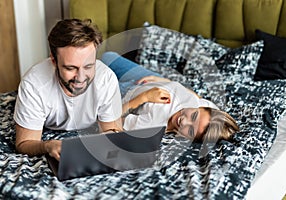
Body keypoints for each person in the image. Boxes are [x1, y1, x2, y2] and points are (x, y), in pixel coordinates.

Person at [13, 19, 123, 161]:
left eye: (89, 66)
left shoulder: (106, 79)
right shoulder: (34, 84)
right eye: (71, 68)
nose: (81, 78)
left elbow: (112, 132)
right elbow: (24, 143)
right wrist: (47, 146)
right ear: (53, 60)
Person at [101, 52, 240, 142]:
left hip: (124, 94)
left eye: (191, 130)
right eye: (194, 116)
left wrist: (144, 98)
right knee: (108, 56)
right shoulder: (210, 112)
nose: (184, 121)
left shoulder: (154, 125)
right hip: (147, 80)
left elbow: (114, 119)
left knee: (97, 70)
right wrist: (164, 81)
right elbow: (195, 96)